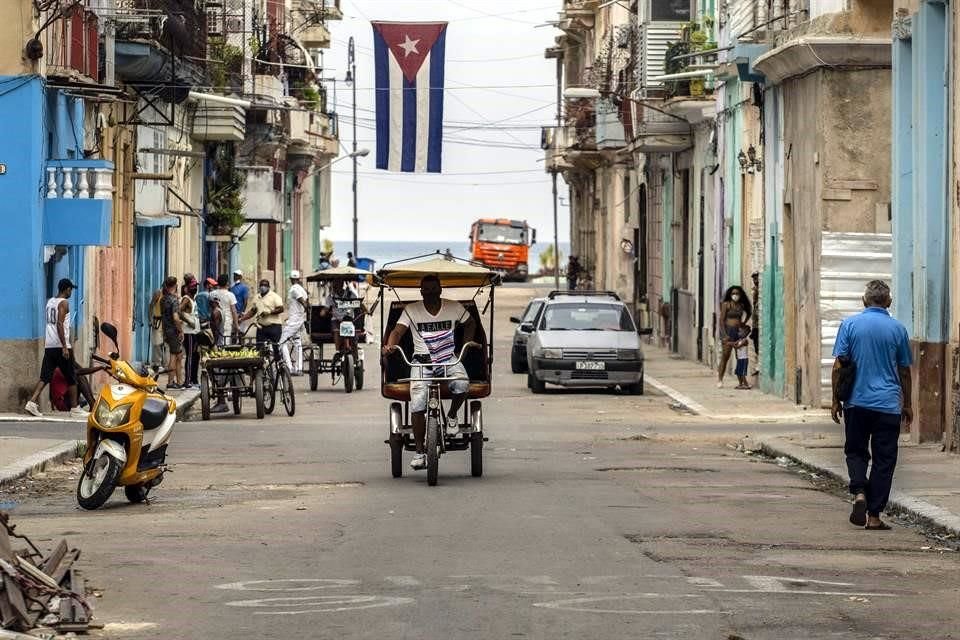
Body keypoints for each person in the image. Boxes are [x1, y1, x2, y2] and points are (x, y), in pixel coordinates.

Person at [831, 280, 913, 531]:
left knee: (856, 451)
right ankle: (874, 516)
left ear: (864, 300)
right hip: (888, 405)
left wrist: (835, 400)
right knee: (884, 460)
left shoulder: (850, 325)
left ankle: (859, 493)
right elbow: (904, 370)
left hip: (856, 403)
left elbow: (839, 366)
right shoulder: (898, 329)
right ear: (889, 302)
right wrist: (907, 403)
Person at [382, 274, 476, 471]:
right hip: (421, 362)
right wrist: (390, 345)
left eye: (434, 289)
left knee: (462, 383)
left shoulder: (453, 307)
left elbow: (470, 323)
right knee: (417, 403)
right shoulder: (411, 310)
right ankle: (419, 452)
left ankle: (452, 415)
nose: (431, 293)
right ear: (421, 292)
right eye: (427, 290)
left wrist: (464, 346)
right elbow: (397, 331)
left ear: (440, 290)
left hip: (448, 358)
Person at [25, 278, 87, 418]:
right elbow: (59, 324)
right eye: (70, 289)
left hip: (50, 345)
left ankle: (32, 402)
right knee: (71, 376)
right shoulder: (64, 303)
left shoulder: (50, 302)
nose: (71, 292)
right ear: (67, 289)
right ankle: (75, 408)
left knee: (45, 376)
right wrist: (64, 346)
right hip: (60, 345)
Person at [716, 285, 752, 388]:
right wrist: (724, 335)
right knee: (725, 356)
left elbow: (749, 312)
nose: (735, 295)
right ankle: (720, 379)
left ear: (740, 295)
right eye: (733, 293)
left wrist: (744, 323)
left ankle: (742, 381)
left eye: (737, 293)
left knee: (740, 357)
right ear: (730, 294)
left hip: (738, 332)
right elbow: (721, 321)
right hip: (728, 331)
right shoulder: (726, 304)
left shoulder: (741, 305)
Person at [280, 270, 309, 375]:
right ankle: (299, 368)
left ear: (291, 279)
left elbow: (304, 303)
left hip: (294, 321)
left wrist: (302, 312)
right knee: (297, 343)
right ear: (299, 279)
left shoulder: (294, 289)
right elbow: (303, 304)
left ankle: (289, 367)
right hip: (298, 319)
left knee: (282, 343)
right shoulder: (302, 289)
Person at [319, 279, 361, 353]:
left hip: (349, 320)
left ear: (341, 284)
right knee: (336, 330)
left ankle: (351, 349)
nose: (335, 286)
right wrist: (324, 311)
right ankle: (338, 350)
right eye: (334, 285)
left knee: (354, 333)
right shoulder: (330, 297)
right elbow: (326, 308)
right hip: (336, 320)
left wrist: (365, 310)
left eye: (337, 284)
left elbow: (358, 303)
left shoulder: (351, 295)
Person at [240, 279, 285, 345]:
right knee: (260, 347)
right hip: (261, 327)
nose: (263, 287)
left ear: (268, 287)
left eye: (265, 285)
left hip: (274, 327)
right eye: (261, 285)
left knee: (275, 347)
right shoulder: (256, 297)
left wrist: (269, 312)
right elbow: (253, 311)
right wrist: (242, 319)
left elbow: (281, 309)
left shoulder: (275, 296)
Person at [159, 276, 184, 389]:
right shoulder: (173, 300)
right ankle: (171, 382)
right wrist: (180, 330)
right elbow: (175, 317)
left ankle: (178, 381)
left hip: (166, 329)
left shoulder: (163, 299)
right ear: (175, 285)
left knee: (177, 355)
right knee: (174, 355)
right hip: (173, 331)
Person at [180, 277, 200, 387]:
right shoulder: (186, 299)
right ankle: (187, 381)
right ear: (187, 288)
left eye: (195, 286)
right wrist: (188, 321)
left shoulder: (193, 299)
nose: (195, 288)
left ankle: (193, 379)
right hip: (189, 332)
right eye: (193, 286)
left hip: (195, 332)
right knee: (190, 356)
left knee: (195, 356)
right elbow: (178, 311)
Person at [210, 274, 239, 344]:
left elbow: (210, 307)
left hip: (215, 323)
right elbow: (233, 311)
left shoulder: (212, 294)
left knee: (215, 342)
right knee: (225, 343)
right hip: (227, 323)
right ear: (227, 283)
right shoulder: (230, 295)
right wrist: (236, 325)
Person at [149, 285, 166, 369]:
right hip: (158, 321)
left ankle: (163, 363)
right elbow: (151, 305)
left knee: (165, 343)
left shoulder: (170, 294)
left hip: (166, 322)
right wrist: (150, 319)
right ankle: (157, 363)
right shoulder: (158, 293)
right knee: (157, 343)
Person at [734, 324, 751, 390]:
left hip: (744, 359)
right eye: (739, 331)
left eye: (741, 331)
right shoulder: (739, 340)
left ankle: (746, 385)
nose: (739, 333)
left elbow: (737, 346)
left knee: (743, 373)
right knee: (738, 372)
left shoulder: (745, 340)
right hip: (739, 358)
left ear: (746, 333)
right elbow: (735, 344)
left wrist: (732, 344)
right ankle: (740, 384)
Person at [751, 271, 761, 376]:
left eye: (756, 278)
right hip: (755, 324)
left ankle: (759, 366)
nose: (755, 280)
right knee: (756, 345)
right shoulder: (755, 290)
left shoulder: (759, 291)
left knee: (758, 346)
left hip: (759, 324)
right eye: (754, 279)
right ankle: (758, 365)